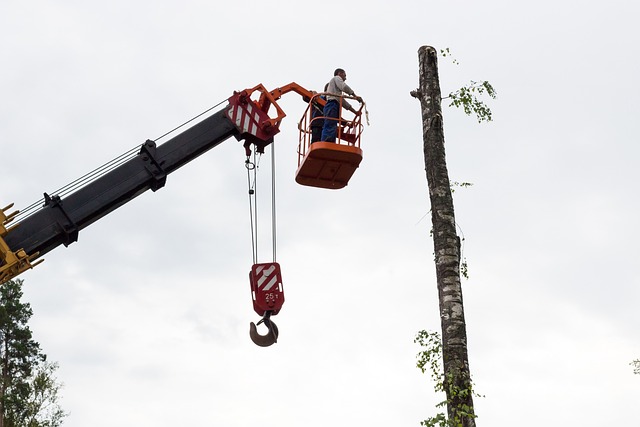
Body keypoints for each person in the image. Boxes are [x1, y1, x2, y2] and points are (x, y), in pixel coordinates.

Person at [320, 68, 362, 143]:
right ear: (339, 73)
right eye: (344, 75)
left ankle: (330, 143)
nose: (345, 78)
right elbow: (344, 87)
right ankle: (326, 142)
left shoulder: (336, 93)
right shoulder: (336, 78)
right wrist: (354, 96)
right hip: (331, 105)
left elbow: (344, 103)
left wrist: (355, 112)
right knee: (330, 125)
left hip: (333, 105)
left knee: (332, 126)